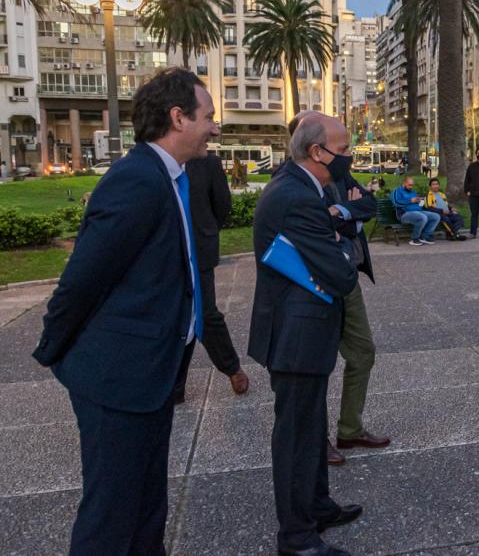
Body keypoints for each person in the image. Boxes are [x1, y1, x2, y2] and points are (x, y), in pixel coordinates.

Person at [32, 68, 219, 554]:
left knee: (145, 506)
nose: (214, 128)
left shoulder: (168, 176)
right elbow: (82, 280)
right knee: (111, 517)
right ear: (178, 118)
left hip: (151, 377)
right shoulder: (136, 180)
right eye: (208, 117)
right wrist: (54, 349)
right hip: (117, 381)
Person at [249, 115, 362, 556]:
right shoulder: (297, 197)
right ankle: (296, 537)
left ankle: (316, 506)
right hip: (296, 336)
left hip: (305, 331)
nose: (350, 156)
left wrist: (338, 242)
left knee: (311, 426)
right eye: (345, 148)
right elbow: (340, 272)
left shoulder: (300, 187)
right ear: (318, 152)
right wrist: (342, 246)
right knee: (296, 436)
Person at [286, 111, 391, 468]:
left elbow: (369, 205)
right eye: (340, 147)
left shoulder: (341, 174)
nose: (346, 156)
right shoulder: (291, 183)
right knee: (316, 366)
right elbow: (315, 225)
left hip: (347, 278)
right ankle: (318, 442)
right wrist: (340, 215)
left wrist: (340, 212)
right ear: (312, 148)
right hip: (315, 285)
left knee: (363, 353)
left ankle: (350, 429)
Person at [172, 152, 249, 402]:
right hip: (166, 252)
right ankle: (175, 387)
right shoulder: (151, 162)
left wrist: (206, 230)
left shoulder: (208, 162)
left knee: (205, 313)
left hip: (199, 249)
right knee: (175, 316)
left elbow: (222, 204)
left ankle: (231, 367)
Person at [391, 176, 440, 246]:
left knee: (436, 216)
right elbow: (396, 203)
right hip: (404, 214)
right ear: (404, 183)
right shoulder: (396, 191)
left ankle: (424, 237)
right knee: (422, 217)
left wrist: (419, 201)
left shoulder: (413, 192)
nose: (411, 187)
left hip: (418, 211)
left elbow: (416, 203)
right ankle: (414, 238)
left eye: (412, 185)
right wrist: (410, 200)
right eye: (409, 185)